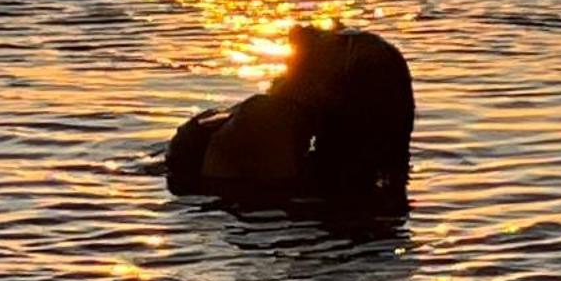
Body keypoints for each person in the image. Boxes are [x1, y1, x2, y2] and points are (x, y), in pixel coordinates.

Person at [166, 23, 414, 215]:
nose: (302, 32)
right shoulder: (272, 120)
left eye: (333, 42)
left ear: (327, 86)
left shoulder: (269, 118)